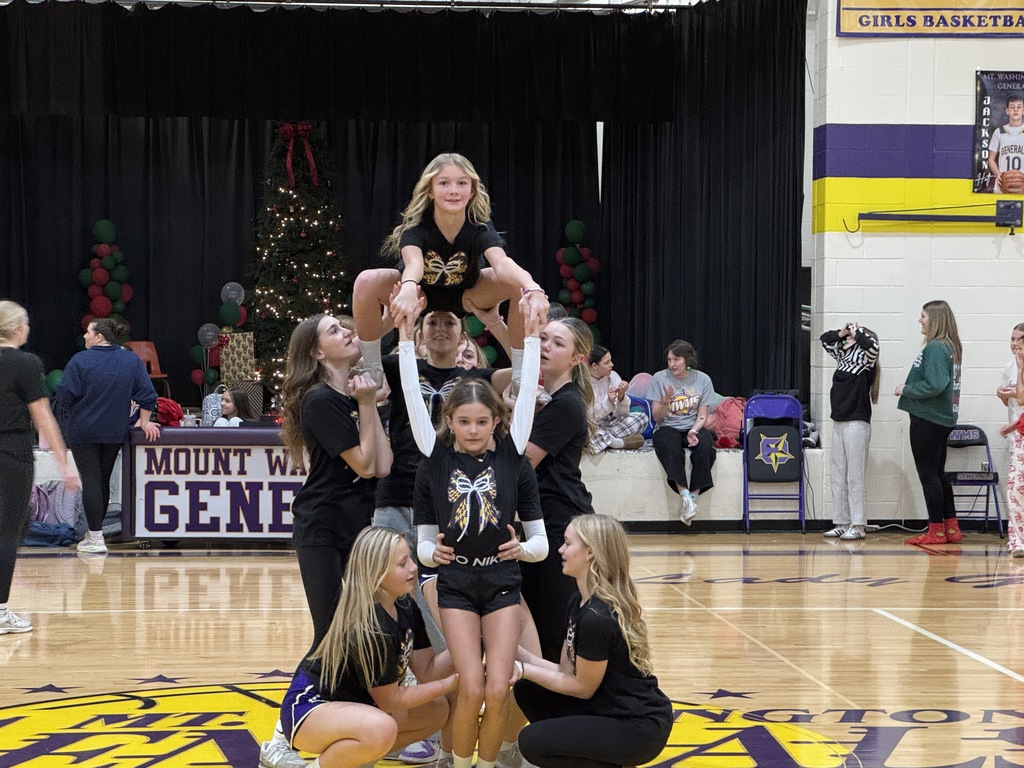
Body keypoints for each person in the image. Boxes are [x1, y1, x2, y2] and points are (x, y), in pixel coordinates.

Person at [398, 293, 547, 768]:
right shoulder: (433, 458)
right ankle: (457, 761)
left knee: (500, 687)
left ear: (497, 421)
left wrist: (522, 549)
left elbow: (541, 544)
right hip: (456, 585)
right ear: (449, 421)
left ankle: (485, 763)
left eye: (483, 421)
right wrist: (404, 338)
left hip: (502, 583)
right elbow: (424, 542)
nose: (474, 429)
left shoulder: (513, 455)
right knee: (472, 685)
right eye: (464, 421)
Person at [260, 314, 392, 768]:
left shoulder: (352, 395)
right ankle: (281, 734)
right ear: (317, 353)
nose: (347, 332)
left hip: (356, 528)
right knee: (330, 634)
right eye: (335, 331)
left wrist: (369, 402)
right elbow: (362, 464)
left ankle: (354, 720)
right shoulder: (320, 400)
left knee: (356, 631)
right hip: (322, 528)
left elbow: (382, 467)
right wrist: (370, 405)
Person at [352, 153, 548, 390]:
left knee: (518, 284)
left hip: (466, 295)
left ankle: (520, 376)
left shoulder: (478, 225)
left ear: (472, 190)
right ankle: (373, 368)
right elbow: (414, 264)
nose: (453, 190)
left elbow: (502, 263)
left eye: (462, 183)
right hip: (419, 294)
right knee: (366, 280)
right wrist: (407, 288)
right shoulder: (416, 226)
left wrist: (533, 288)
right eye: (444, 183)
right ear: (431, 191)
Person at [278, 526, 459, 768]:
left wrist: (471, 646)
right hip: (309, 709)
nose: (414, 568)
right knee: (382, 727)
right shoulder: (371, 625)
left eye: (411, 560)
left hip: (357, 708)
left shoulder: (404, 604)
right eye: (403, 563)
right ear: (377, 573)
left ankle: (358, 759)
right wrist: (447, 684)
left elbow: (426, 669)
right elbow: (391, 700)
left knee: (436, 711)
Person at [510, 514, 672, 768]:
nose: (560, 549)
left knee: (531, 741)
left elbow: (582, 687)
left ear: (590, 553)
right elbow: (565, 671)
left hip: (637, 726)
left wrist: (522, 669)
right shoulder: (578, 601)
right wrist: (509, 653)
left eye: (567, 543)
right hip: (607, 708)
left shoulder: (597, 617)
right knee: (529, 691)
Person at [0, 301, 80, 634]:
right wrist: (65, 464)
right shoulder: (26, 363)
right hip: (11, 455)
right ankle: (1, 612)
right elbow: (43, 416)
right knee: (8, 532)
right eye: (27, 322)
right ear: (17, 328)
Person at [521, 317, 596, 664]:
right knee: (537, 619)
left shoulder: (565, 403)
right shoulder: (553, 399)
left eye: (558, 343)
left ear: (577, 359)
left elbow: (522, 464)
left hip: (560, 523)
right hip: (546, 520)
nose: (546, 347)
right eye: (544, 339)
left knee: (553, 627)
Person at [54, 318, 160, 555]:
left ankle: (95, 538)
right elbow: (148, 395)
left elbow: (65, 396)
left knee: (91, 481)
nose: (85, 336)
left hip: (83, 431)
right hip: (114, 432)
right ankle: (94, 533)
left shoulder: (81, 360)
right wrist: (144, 422)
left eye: (88, 332)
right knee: (102, 481)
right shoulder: (130, 360)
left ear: (99, 336)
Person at [896, 300, 963, 546]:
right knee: (938, 474)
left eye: (923, 316)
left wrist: (906, 388)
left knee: (929, 476)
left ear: (934, 319)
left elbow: (935, 384)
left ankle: (935, 530)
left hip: (929, 418)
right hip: (942, 419)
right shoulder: (951, 346)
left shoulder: (936, 347)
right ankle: (951, 527)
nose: (920, 320)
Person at [819, 322, 881, 540]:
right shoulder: (842, 356)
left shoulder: (865, 359)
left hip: (857, 421)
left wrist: (858, 332)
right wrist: (842, 333)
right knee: (837, 473)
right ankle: (842, 521)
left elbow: (873, 345)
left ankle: (858, 524)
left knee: (855, 475)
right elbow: (825, 339)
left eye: (850, 337)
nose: (846, 339)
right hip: (839, 419)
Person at [647, 339, 716, 526]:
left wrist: (693, 431)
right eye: (669, 360)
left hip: (692, 425)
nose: (671, 364)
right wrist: (666, 400)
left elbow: (702, 415)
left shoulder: (703, 379)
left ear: (687, 360)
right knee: (669, 447)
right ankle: (685, 496)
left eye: (676, 359)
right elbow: (657, 417)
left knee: (706, 448)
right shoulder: (659, 378)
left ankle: (693, 499)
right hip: (667, 426)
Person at [587, 345, 647, 452]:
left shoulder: (613, 376)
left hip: (610, 425)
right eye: (607, 362)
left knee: (641, 418)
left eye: (610, 361)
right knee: (583, 432)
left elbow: (621, 415)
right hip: (592, 426)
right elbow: (589, 416)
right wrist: (608, 402)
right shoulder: (583, 382)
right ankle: (616, 443)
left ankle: (604, 441)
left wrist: (622, 397)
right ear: (594, 366)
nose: (611, 365)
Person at [999, 332, 1024, 557]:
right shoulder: (1011, 366)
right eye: (1013, 340)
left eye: (1020, 340)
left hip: (1019, 427)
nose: (1015, 344)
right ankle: (1018, 541)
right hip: (1019, 434)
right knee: (1015, 489)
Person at [988, 93, 1024, 193]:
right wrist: (998, 174)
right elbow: (991, 158)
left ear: (1023, 110)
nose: (1016, 110)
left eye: (1019, 107)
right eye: (1012, 107)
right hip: (1002, 185)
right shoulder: (999, 132)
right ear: (1007, 111)